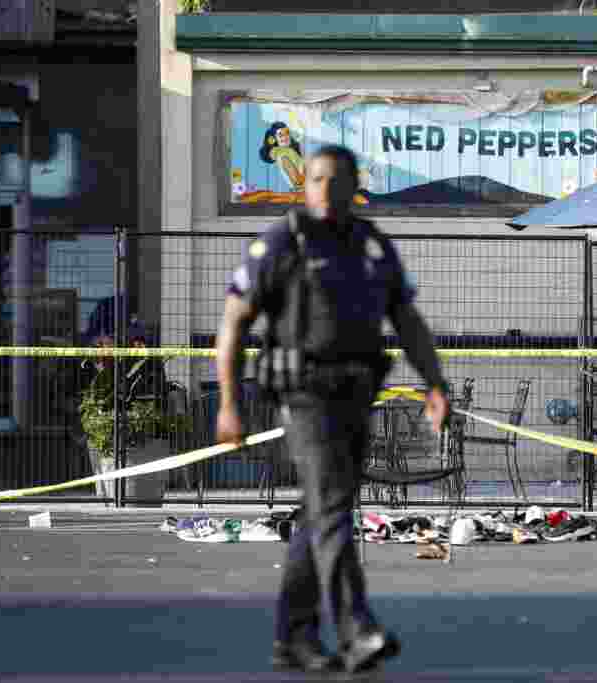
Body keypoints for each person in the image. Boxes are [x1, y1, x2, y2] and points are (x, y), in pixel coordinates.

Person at [214, 144, 450, 674]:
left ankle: (292, 638)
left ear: (352, 186)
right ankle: (356, 628)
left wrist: (435, 382)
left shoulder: (370, 244)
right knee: (335, 508)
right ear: (305, 185)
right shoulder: (281, 241)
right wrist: (228, 403)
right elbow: (233, 323)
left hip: (356, 393)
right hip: (304, 398)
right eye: (316, 179)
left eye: (335, 180)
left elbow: (406, 319)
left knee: (320, 511)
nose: (324, 188)